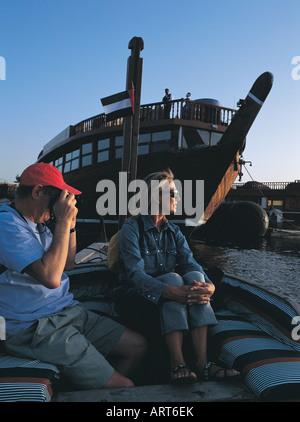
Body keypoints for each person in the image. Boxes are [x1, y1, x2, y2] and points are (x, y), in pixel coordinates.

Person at [0, 162, 147, 390]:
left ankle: (95, 388)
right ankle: (109, 389)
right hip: (35, 327)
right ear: (38, 192)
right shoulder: (7, 223)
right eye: (58, 196)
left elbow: (67, 264)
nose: (62, 203)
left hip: (66, 312)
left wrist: (69, 225)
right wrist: (62, 220)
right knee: (125, 386)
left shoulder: (39, 224)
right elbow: (50, 277)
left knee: (137, 346)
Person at [116, 169, 240, 384]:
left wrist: (209, 286)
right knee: (173, 278)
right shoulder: (131, 228)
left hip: (170, 294)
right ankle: (177, 362)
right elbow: (135, 275)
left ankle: (202, 363)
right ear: (156, 197)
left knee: (194, 275)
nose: (178, 198)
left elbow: (190, 262)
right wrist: (171, 291)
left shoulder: (174, 231)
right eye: (173, 193)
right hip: (137, 297)